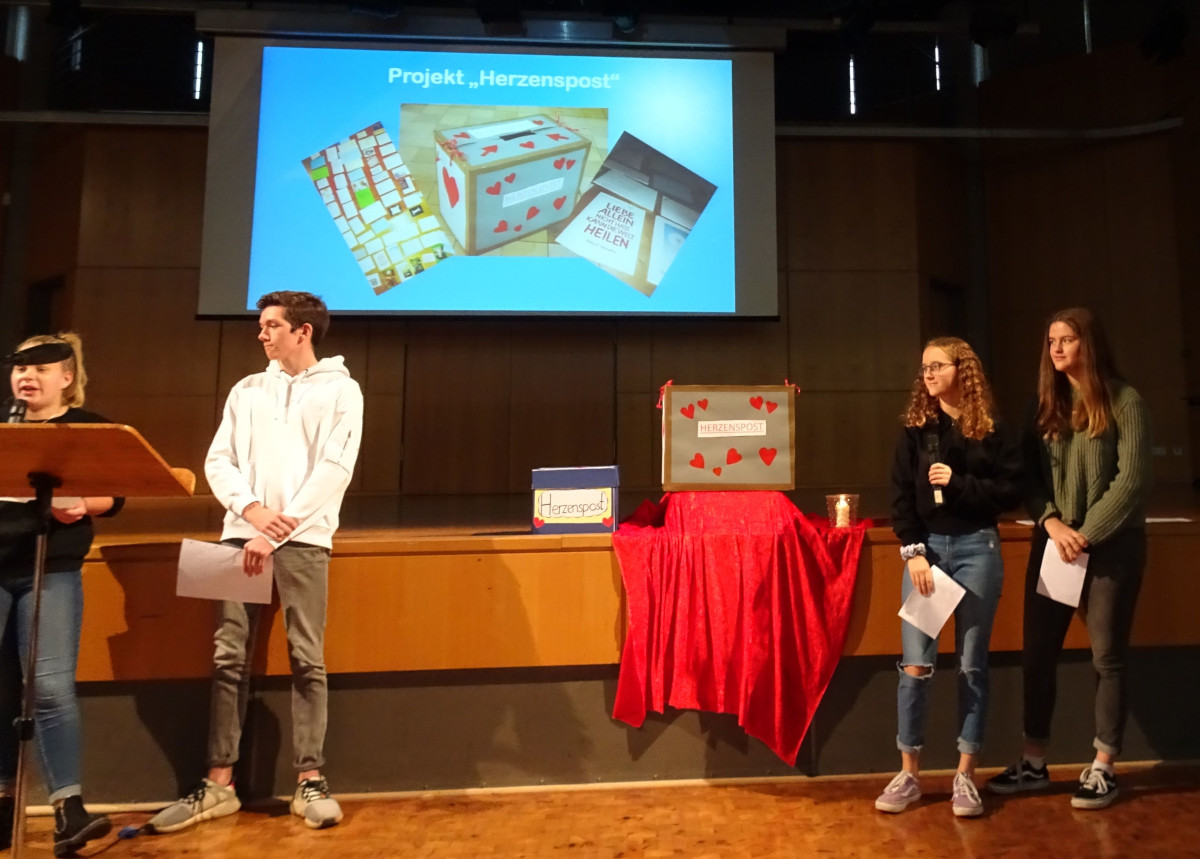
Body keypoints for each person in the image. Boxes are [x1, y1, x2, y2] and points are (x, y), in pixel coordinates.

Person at [148, 291, 363, 833]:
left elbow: (336, 467)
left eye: (271, 325)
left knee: (306, 658)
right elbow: (218, 460)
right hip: (238, 536)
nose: (261, 334)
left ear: (302, 331)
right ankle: (219, 784)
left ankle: (309, 779)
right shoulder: (247, 389)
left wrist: (278, 528)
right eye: (261, 325)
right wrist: (251, 511)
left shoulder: (342, 389)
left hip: (304, 540)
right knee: (227, 658)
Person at [987, 307, 1151, 810]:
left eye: (1067, 339)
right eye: (1051, 340)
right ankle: (1034, 762)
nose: (1056, 348)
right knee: (1038, 654)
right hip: (1056, 542)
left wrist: (1086, 533)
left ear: (1089, 344)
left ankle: (1103, 766)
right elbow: (1030, 479)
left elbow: (1131, 480)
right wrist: (1053, 523)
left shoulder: (1125, 401)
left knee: (1107, 656)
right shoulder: (1045, 405)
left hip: (1111, 545)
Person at [875, 337, 1022, 818]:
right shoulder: (918, 430)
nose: (928, 374)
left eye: (937, 365)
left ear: (963, 369)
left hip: (978, 548)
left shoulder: (991, 427)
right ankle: (909, 773)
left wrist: (959, 484)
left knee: (972, 665)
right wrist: (914, 552)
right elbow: (900, 495)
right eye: (924, 368)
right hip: (929, 554)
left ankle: (965, 776)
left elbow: (1010, 491)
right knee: (916, 665)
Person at [0, 333, 119, 857]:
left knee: (48, 688)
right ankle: (4, 800)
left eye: (40, 369)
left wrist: (84, 504)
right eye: (20, 368)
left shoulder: (89, 427)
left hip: (50, 568)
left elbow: (116, 494)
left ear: (66, 378)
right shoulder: (3, 426)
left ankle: (68, 810)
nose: (27, 377)